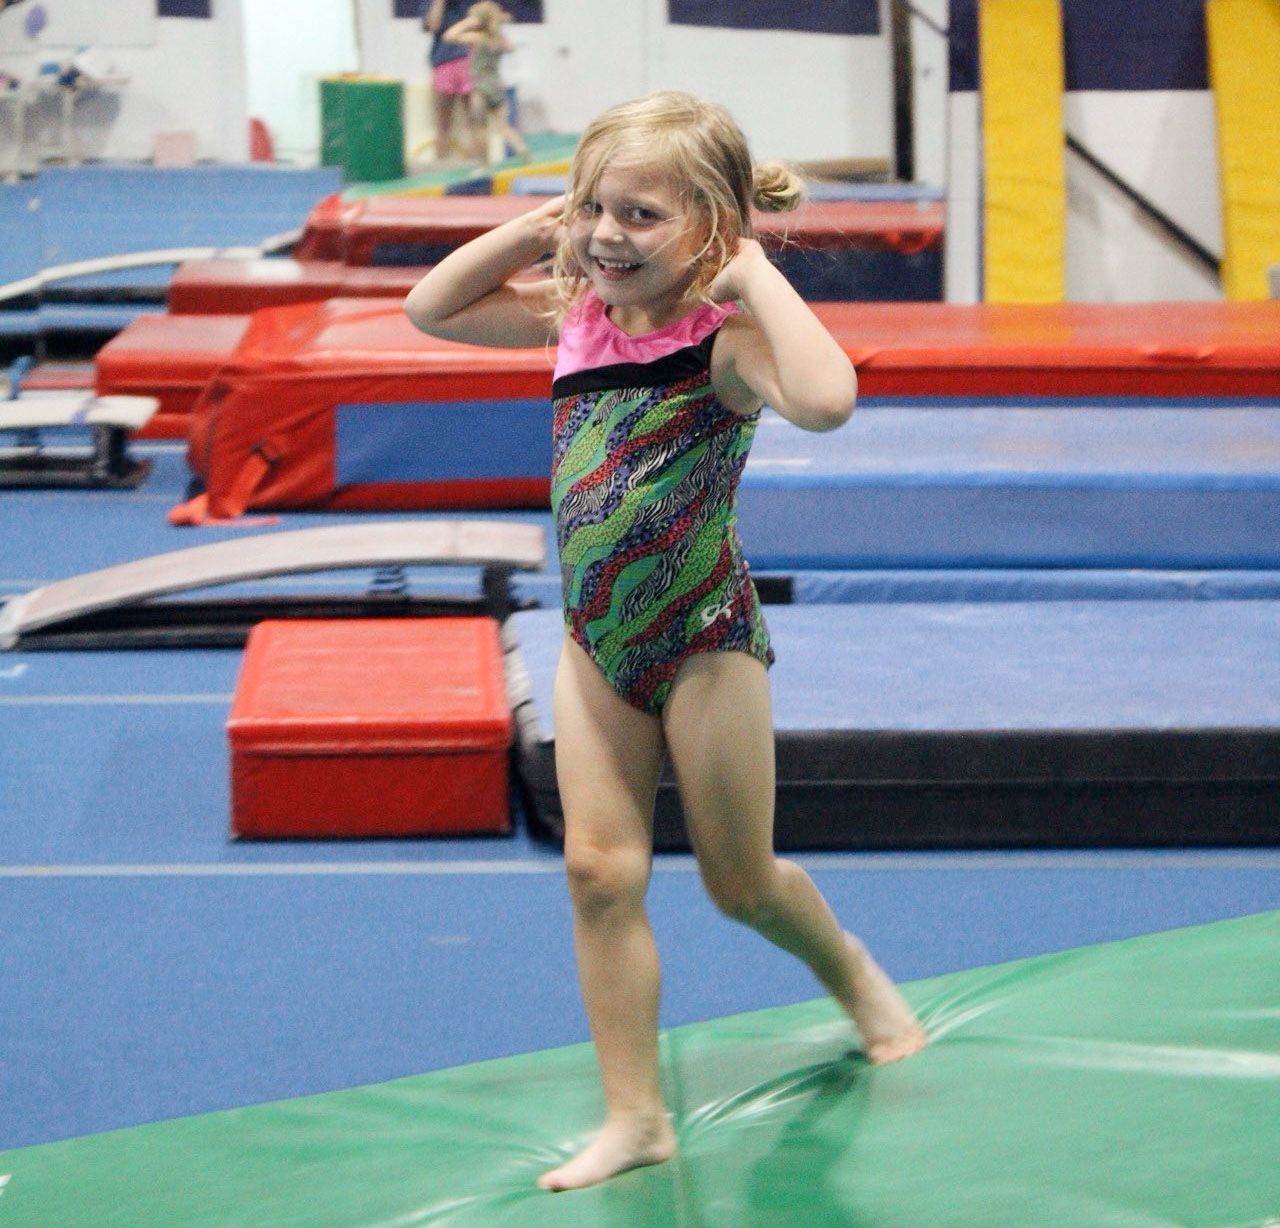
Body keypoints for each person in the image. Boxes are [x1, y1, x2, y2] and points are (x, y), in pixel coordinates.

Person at [404, 90, 926, 1193]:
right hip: (595, 637)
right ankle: (635, 1115)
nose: (605, 236)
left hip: (703, 640)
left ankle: (855, 976)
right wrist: (540, 221)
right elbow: (430, 308)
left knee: (739, 883)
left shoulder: (726, 348)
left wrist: (754, 277)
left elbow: (828, 401)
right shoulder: (575, 313)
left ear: (712, 228)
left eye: (639, 215)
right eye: (594, 209)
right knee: (599, 872)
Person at [443, 2, 529, 164]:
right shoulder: (499, 40)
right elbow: (511, 48)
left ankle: (483, 164)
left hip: (481, 88)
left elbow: (449, 36)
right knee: (504, 127)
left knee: (480, 128)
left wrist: (468, 23)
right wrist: (498, 22)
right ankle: (524, 153)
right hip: (497, 87)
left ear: (478, 21)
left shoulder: (477, 38)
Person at [423, 0, 477, 160]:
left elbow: (481, 21)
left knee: (474, 121)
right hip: (444, 60)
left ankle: (479, 169)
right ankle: (440, 169)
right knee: (443, 124)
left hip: (469, 59)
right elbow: (432, 25)